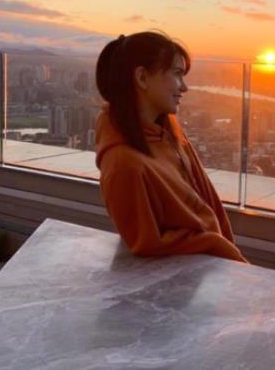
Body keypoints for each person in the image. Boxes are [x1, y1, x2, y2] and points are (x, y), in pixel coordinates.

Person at [95, 31, 246, 262]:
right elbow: (147, 243)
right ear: (142, 78)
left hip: (215, 264)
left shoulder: (168, 133)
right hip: (196, 271)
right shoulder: (125, 165)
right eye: (177, 74)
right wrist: (216, 245)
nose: (184, 87)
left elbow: (206, 203)